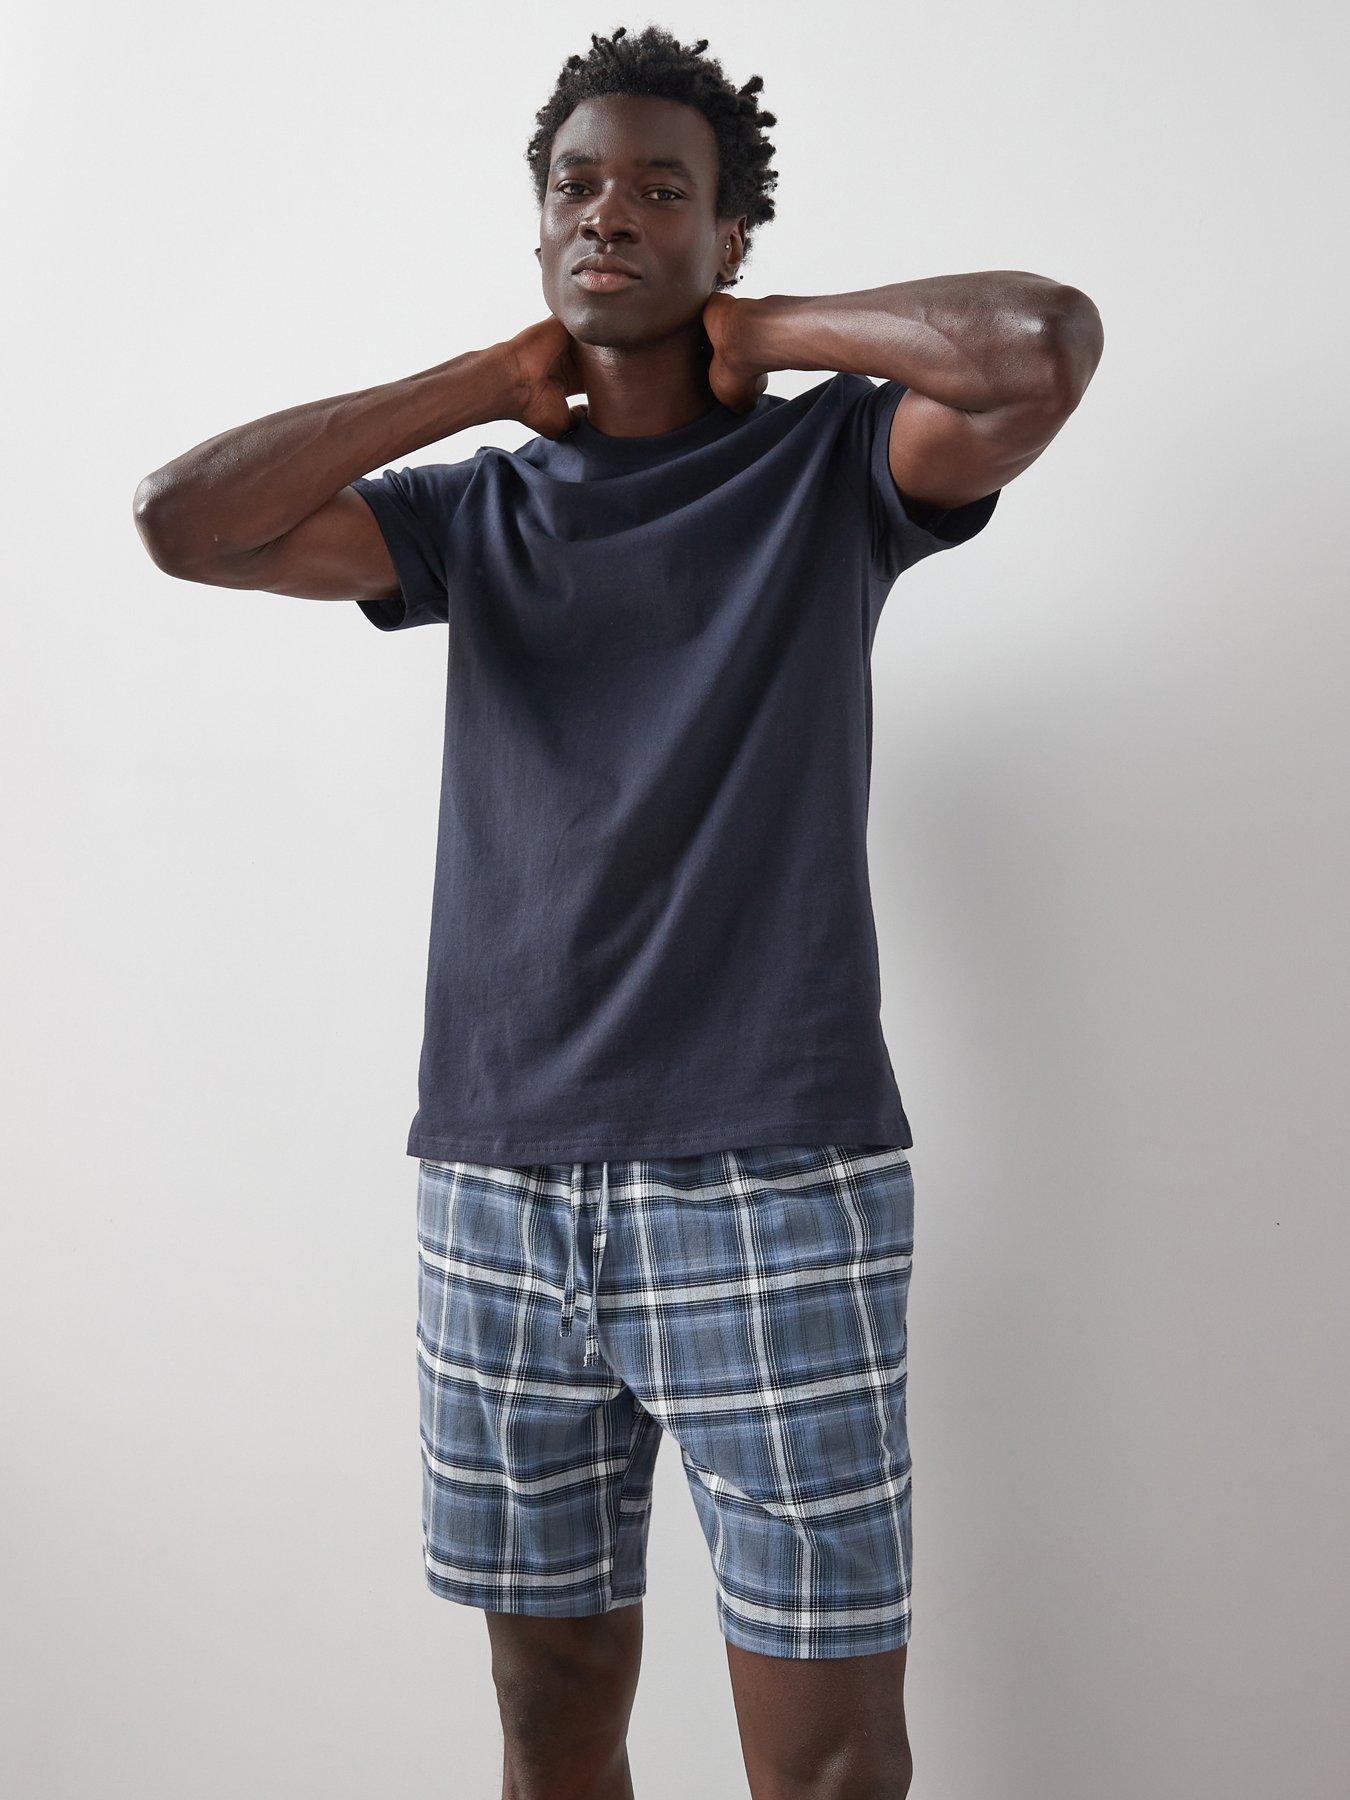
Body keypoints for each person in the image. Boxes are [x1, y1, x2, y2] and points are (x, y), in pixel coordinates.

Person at [133, 23, 1102, 1798]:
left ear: (726, 234)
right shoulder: (474, 512)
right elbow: (185, 524)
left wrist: (771, 331)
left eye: (663, 189)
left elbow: (1038, 348)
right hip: (500, 1179)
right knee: (548, 1713)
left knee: (828, 1758)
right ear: (535, 226)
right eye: (577, 185)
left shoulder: (835, 470)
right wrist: (480, 381)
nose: (609, 214)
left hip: (773, 1178)